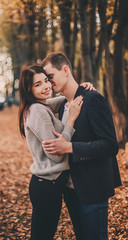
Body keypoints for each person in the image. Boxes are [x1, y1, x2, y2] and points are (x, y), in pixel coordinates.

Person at [41, 52, 122, 240]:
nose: (48, 83)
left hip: (93, 189)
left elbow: (110, 145)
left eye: (50, 77)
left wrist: (69, 148)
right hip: (71, 191)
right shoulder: (61, 106)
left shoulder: (93, 100)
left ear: (66, 70)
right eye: (45, 80)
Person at [19, 65, 94, 240]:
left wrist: (79, 89)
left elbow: (60, 100)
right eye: (38, 84)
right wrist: (72, 120)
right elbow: (56, 154)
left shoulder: (40, 105)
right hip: (46, 185)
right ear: (28, 89)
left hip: (50, 183)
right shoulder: (37, 111)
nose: (46, 86)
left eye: (46, 80)